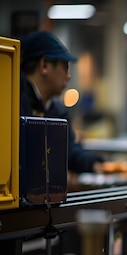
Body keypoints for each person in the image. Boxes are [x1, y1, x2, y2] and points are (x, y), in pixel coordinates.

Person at [20, 31, 104, 173]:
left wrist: (94, 164)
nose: (68, 76)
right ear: (44, 65)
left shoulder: (57, 111)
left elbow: (68, 150)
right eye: (65, 67)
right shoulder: (13, 105)